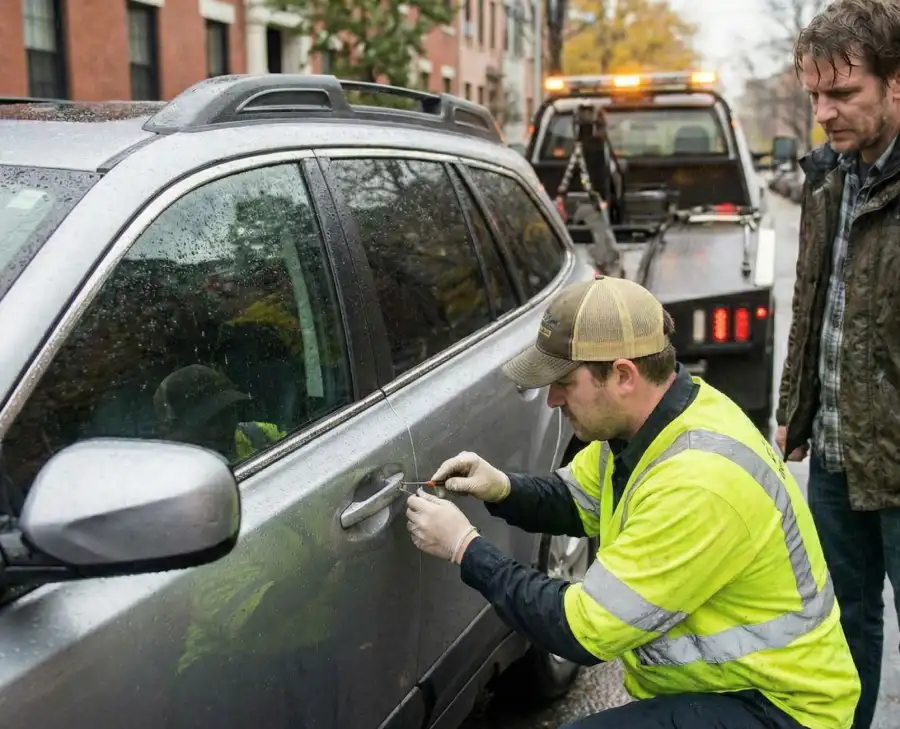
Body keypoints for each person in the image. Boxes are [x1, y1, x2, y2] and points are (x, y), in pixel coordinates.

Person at [405, 276, 860, 728]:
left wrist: (465, 548)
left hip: (782, 708)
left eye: (564, 382)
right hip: (731, 688)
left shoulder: (698, 483)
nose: (553, 399)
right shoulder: (650, 425)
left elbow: (580, 631)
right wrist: (501, 487)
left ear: (623, 375)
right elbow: (573, 500)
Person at [777, 2, 900, 727]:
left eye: (844, 93)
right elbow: (812, 298)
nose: (824, 113)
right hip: (835, 453)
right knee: (842, 626)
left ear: (895, 81)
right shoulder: (826, 176)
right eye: (815, 95)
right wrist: (795, 410)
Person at [153, 364, 284, 461]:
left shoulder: (262, 435)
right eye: (210, 421)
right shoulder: (174, 472)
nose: (223, 428)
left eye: (227, 413)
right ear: (175, 431)